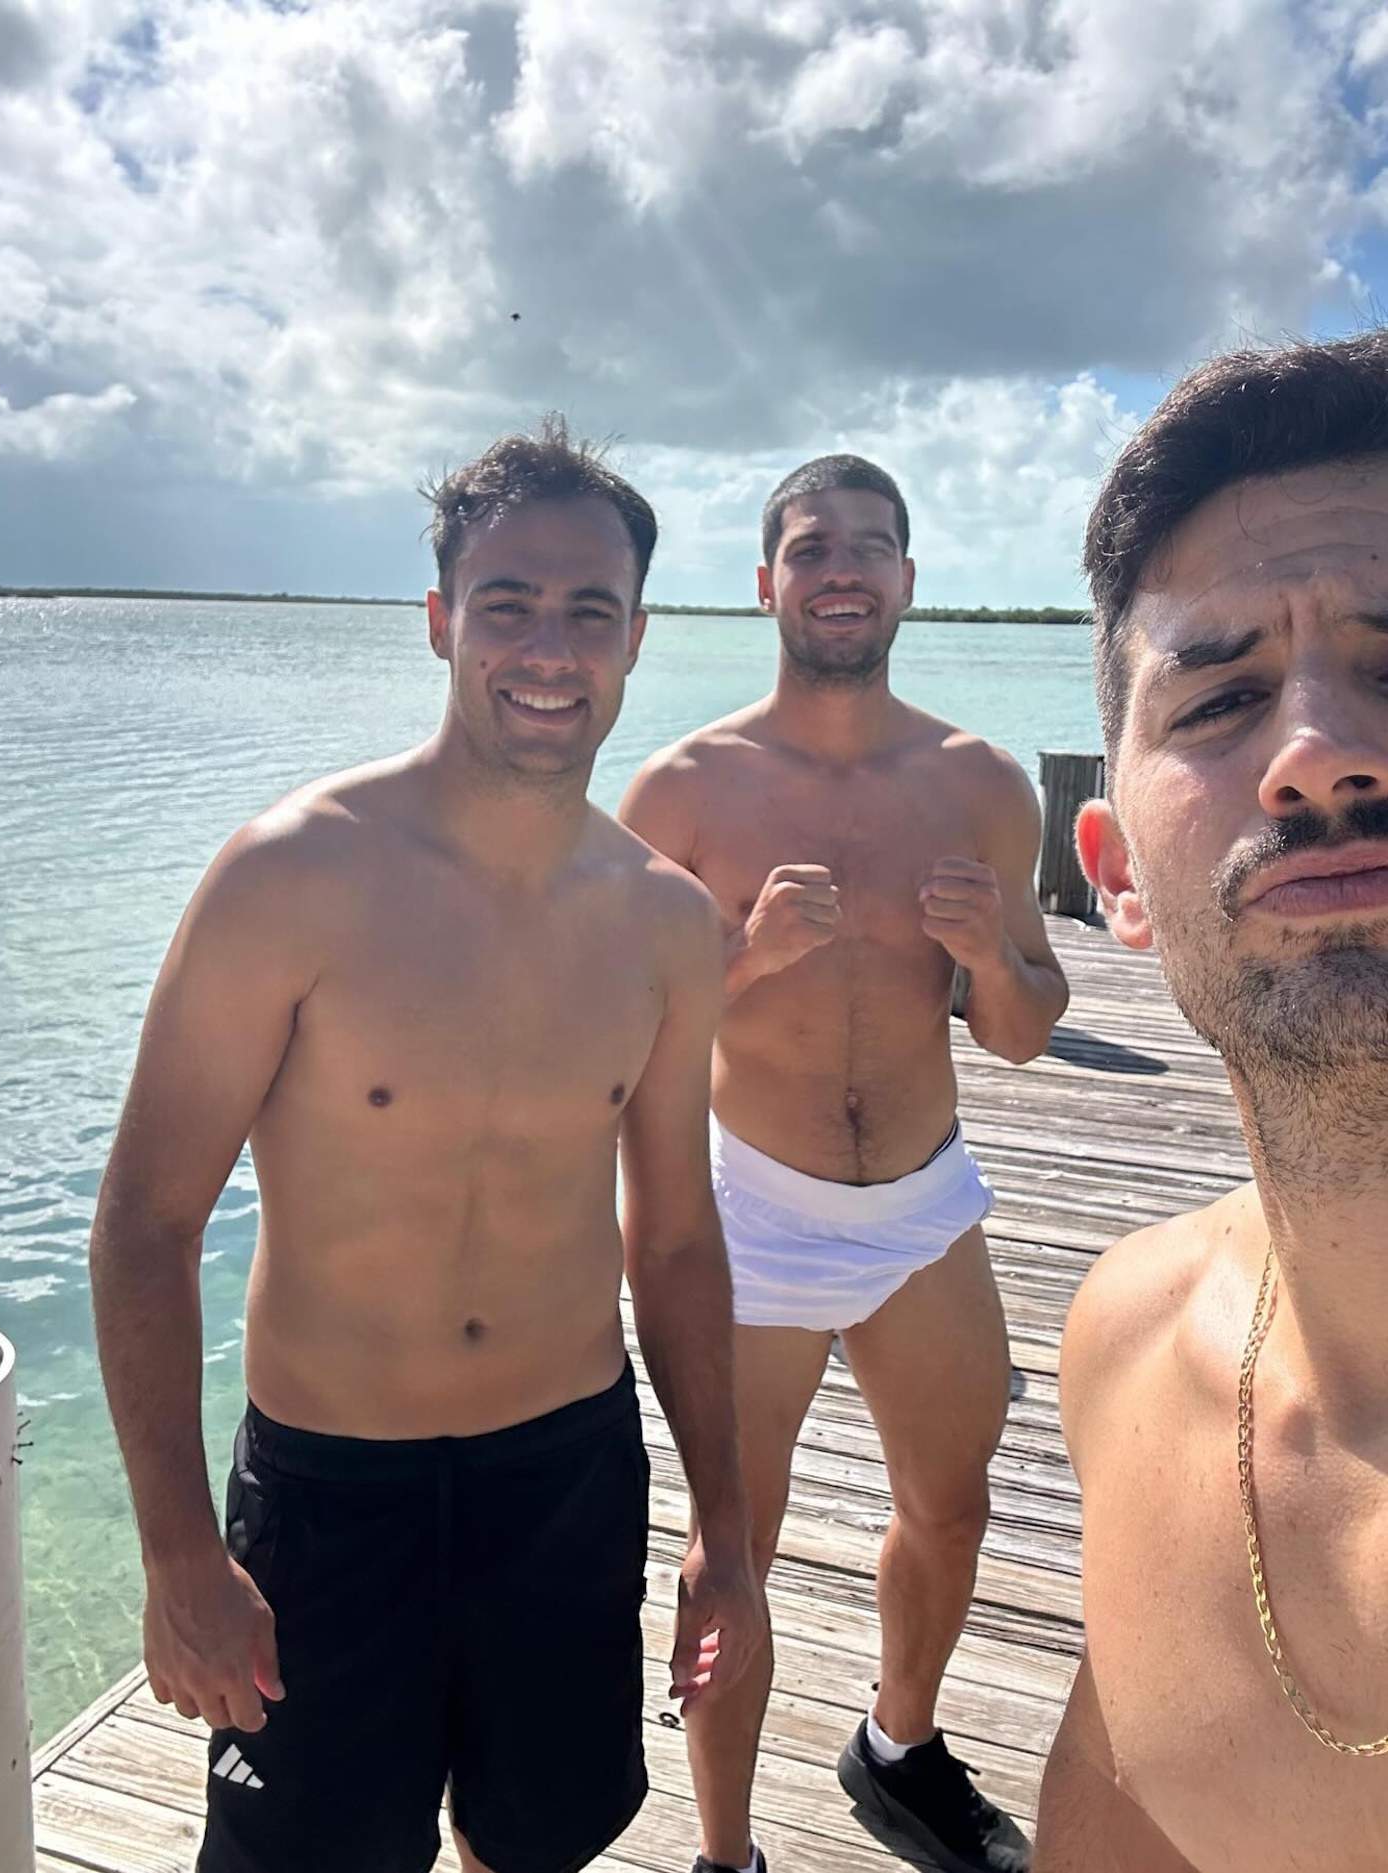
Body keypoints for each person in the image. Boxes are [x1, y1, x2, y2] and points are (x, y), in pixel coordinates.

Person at [89, 417, 764, 1873]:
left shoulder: (666, 923)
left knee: (537, 1839)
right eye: (507, 604)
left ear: (637, 638)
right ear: (442, 619)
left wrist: (728, 1532)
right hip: (334, 1489)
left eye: (589, 610)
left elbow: (675, 1238)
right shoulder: (291, 876)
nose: (549, 648)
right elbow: (147, 1222)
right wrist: (176, 1551)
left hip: (566, 1474)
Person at [619, 456, 1067, 1873]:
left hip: (925, 1209)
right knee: (726, 1556)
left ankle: (898, 1744)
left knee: (952, 1505)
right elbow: (610, 1034)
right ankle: (727, 1852)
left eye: (871, 546)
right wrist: (747, 959)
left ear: (909, 581)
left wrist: (991, 954)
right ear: (767, 582)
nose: (843, 570)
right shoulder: (683, 791)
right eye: (813, 547)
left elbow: (1025, 1028)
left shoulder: (981, 783)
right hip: (750, 1213)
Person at [1034, 334, 1388, 1871]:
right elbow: (1122, 1791)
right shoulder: (1126, 1341)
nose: (1317, 754)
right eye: (1223, 696)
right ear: (1114, 874)